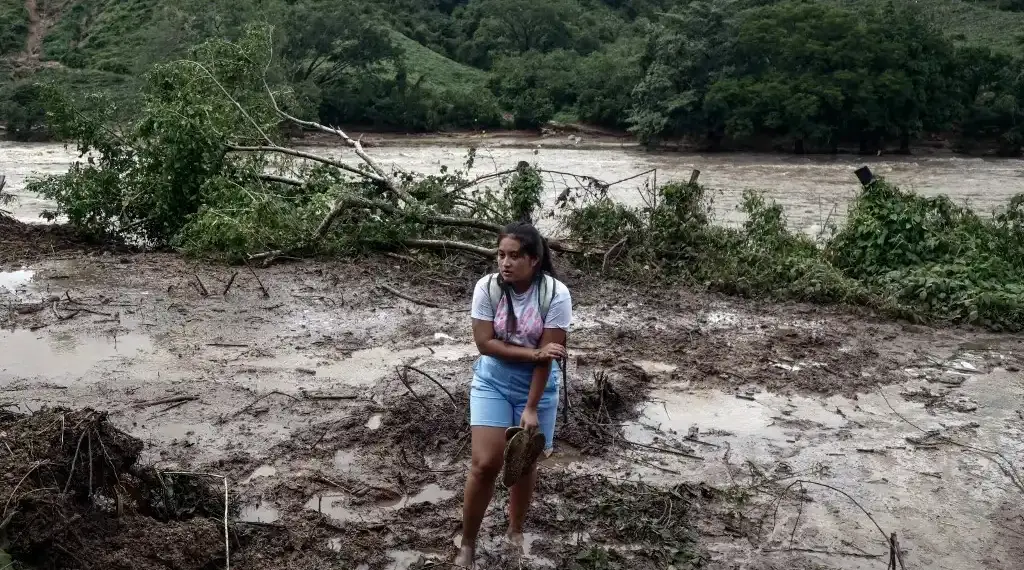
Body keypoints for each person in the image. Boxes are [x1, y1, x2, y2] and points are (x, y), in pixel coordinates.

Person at [455, 221, 572, 568]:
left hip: (538, 385)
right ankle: (468, 542)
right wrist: (533, 353)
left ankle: (515, 531)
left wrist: (532, 407)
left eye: (514, 256)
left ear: (534, 260)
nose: (505, 263)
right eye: (501, 255)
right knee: (485, 463)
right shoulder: (487, 288)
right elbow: (485, 344)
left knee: (523, 464)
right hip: (493, 381)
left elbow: (548, 357)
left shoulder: (555, 294)